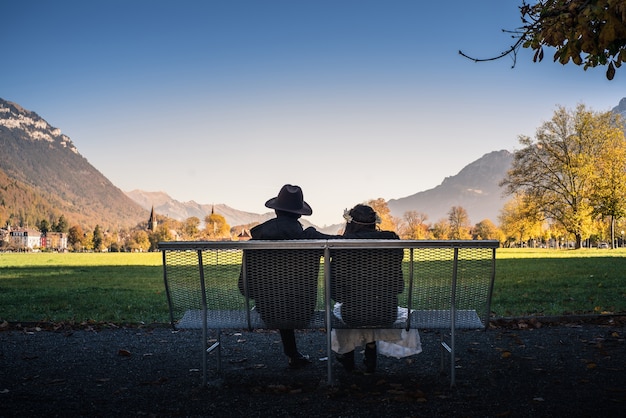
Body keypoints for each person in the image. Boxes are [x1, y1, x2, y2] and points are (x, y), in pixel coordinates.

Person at [238, 184, 337, 369]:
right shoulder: (311, 239)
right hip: (304, 309)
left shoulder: (255, 243)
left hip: (268, 310)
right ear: (300, 214)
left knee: (278, 299)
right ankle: (293, 355)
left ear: (275, 210)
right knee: (289, 298)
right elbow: (342, 242)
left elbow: (246, 289)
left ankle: (292, 353)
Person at [331, 204, 421, 374]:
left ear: (350, 223)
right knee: (373, 302)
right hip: (387, 313)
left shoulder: (341, 245)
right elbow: (398, 287)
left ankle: (348, 357)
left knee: (350, 307)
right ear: (374, 223)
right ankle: (370, 353)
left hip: (352, 314)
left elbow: (337, 294)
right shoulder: (391, 241)